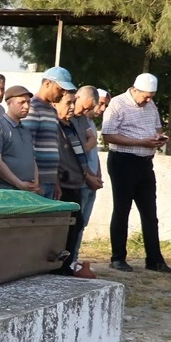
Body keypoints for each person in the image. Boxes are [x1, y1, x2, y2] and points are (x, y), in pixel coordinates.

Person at [101, 73, 171, 273]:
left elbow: (157, 127)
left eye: (152, 96)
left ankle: (155, 259)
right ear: (135, 89)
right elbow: (108, 135)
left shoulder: (151, 106)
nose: (148, 100)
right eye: (146, 96)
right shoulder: (117, 104)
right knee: (122, 210)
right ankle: (118, 257)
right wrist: (140, 142)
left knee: (150, 213)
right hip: (123, 161)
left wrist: (159, 138)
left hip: (145, 162)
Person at [53, 90, 99, 277]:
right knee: (64, 227)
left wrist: (86, 174)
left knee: (76, 224)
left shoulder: (71, 125)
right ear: (56, 104)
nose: (72, 107)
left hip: (76, 183)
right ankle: (58, 267)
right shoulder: (55, 127)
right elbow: (55, 158)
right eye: (68, 103)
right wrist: (56, 181)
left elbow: (81, 153)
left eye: (74, 103)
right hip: (62, 184)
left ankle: (67, 265)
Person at [22, 66, 77, 199]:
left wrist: (56, 181)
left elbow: (53, 148)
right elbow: (28, 148)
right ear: (47, 84)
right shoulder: (32, 108)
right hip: (37, 181)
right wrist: (36, 181)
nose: (63, 93)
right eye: (60, 89)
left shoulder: (52, 110)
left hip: (50, 180)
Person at [69, 86, 102, 272]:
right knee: (75, 223)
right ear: (77, 97)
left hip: (89, 179)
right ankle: (69, 259)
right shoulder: (68, 117)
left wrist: (97, 174)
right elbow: (73, 152)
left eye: (89, 109)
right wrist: (87, 174)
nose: (84, 111)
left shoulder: (83, 119)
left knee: (83, 223)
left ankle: (75, 258)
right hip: (77, 180)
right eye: (83, 107)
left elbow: (91, 143)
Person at [0, 85, 40, 193]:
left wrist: (36, 181)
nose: (27, 106)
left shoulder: (26, 130)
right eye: (22, 102)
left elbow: (32, 159)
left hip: (26, 192)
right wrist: (19, 184)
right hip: (5, 193)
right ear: (9, 103)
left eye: (28, 102)